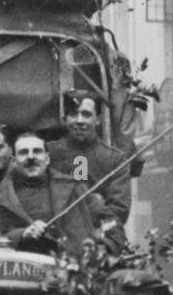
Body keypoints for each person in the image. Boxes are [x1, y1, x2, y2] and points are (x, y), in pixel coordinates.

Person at [0, 131, 120, 259]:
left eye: (37, 151)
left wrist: (103, 252)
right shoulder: (3, 198)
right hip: (23, 274)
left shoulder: (75, 188)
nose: (31, 157)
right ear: (14, 161)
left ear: (47, 159)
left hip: (72, 274)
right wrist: (22, 234)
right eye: (23, 152)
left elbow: (111, 224)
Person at [47, 90, 131, 225]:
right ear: (64, 119)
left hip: (96, 237)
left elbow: (119, 212)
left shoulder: (115, 160)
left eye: (86, 115)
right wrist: (97, 202)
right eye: (73, 114)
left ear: (98, 119)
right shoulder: (49, 153)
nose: (79, 121)